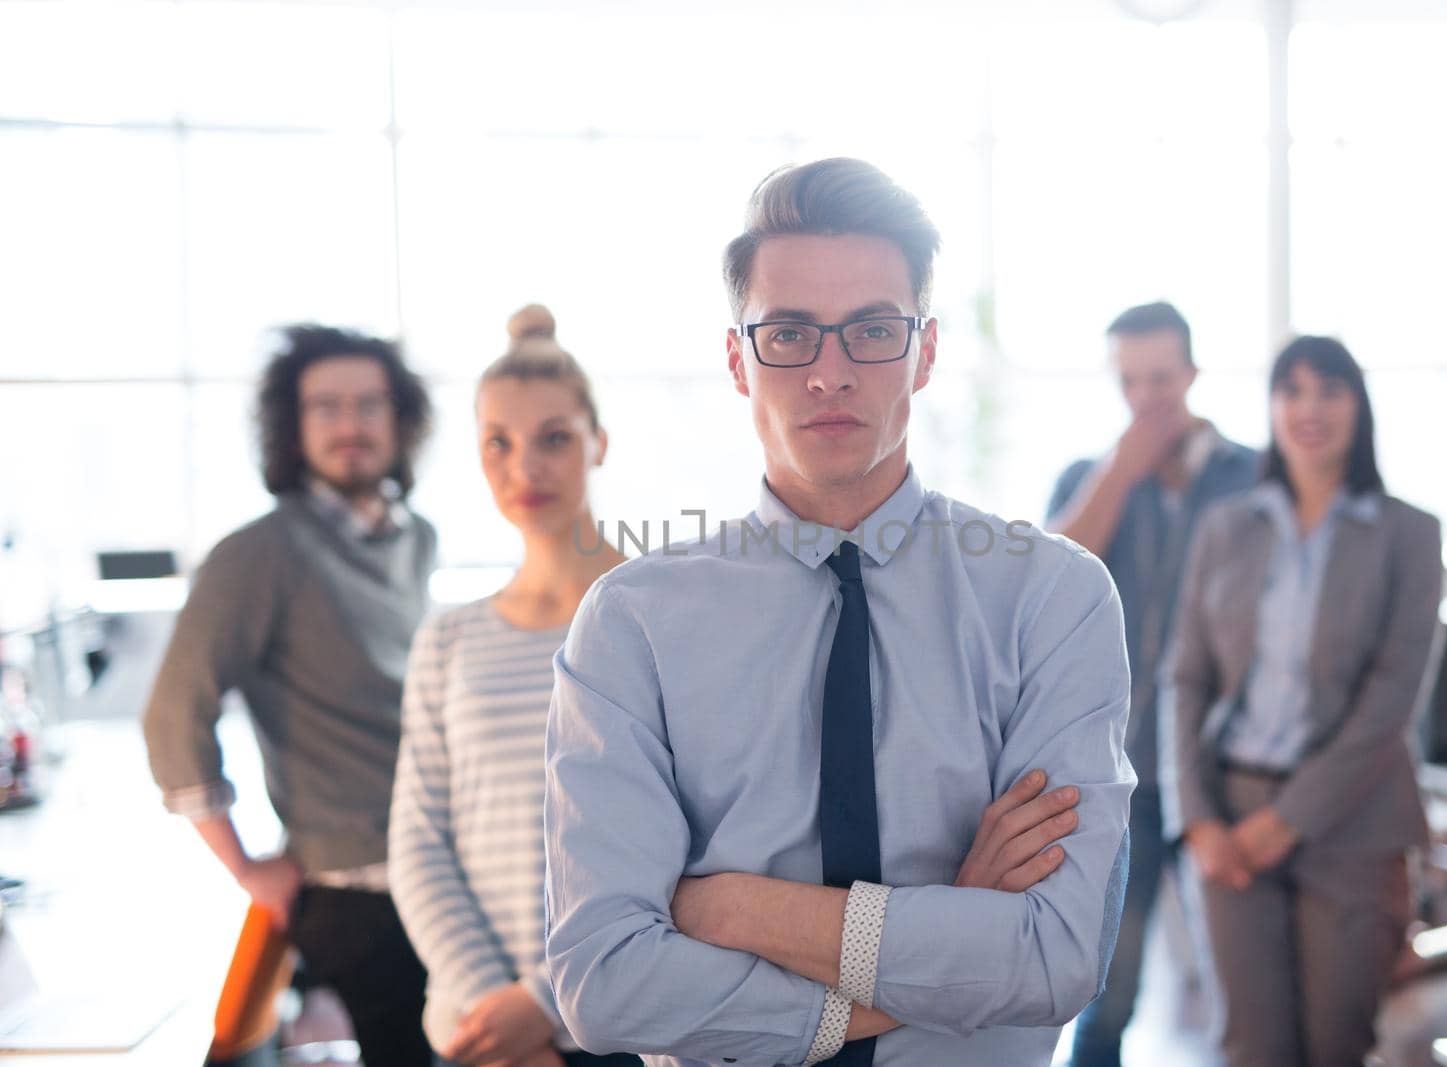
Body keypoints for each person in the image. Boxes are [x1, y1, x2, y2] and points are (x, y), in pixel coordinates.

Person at [542, 157, 1135, 1067]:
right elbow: (606, 983)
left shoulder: (1053, 597)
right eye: (788, 334)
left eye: (871, 330)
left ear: (926, 351)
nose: (830, 373)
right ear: (739, 358)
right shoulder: (631, 623)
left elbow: (1055, 958)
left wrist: (731, 907)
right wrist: (938, 949)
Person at [143, 324, 437, 1067]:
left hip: (438, 865)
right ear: (292, 424)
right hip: (356, 891)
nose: (350, 424)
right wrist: (245, 866)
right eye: (326, 406)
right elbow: (175, 715)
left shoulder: (413, 538)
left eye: (369, 404)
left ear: (399, 420)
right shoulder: (260, 553)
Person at [1161, 336, 1443, 1067]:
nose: (1309, 408)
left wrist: (1286, 822)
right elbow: (1185, 677)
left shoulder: (1409, 534)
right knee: (1251, 1046)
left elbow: (1390, 704)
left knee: (1335, 1045)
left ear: (1359, 405)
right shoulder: (1226, 527)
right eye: (1292, 390)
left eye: (1330, 390)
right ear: (1272, 406)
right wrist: (1196, 819)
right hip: (1228, 813)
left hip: (1353, 821)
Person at [388, 307, 639, 1067]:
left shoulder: (659, 622)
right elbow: (417, 842)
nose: (524, 468)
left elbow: (699, 840)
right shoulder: (449, 637)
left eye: (554, 438)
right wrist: (496, 1013)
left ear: (599, 441)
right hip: (481, 1038)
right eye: (498, 442)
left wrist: (544, 1001)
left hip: (628, 1028)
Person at [1044, 301, 1257, 1067]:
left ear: (1193, 374)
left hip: (1225, 768)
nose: (1147, 398)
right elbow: (1055, 576)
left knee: (1246, 983)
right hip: (1121, 769)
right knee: (1112, 980)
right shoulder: (1091, 476)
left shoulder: (1250, 474)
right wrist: (1122, 470)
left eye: (1161, 378)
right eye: (1130, 381)